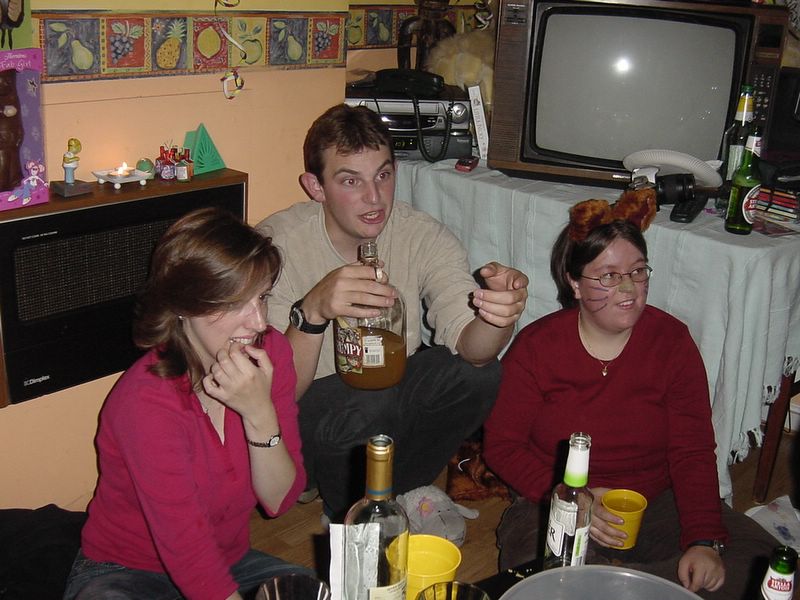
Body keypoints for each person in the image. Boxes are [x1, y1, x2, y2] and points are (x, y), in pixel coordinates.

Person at [483, 190, 780, 599]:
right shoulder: (537, 347)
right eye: (608, 276)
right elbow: (502, 446)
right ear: (574, 283)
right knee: (542, 575)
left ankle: (619, 584)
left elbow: (693, 450)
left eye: (638, 271)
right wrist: (570, 497)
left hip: (653, 501)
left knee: (764, 564)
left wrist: (704, 540)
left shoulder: (671, 342)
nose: (628, 287)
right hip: (556, 502)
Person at [256, 103, 529, 521]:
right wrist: (312, 310)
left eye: (383, 175)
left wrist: (498, 317)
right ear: (316, 187)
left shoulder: (422, 235)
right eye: (351, 181)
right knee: (370, 400)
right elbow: (276, 394)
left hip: (384, 392)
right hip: (306, 411)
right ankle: (343, 509)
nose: (374, 197)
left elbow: (473, 351)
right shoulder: (276, 246)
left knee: (479, 375)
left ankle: (394, 496)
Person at [63, 207, 312, 600]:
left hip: (225, 560)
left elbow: (280, 500)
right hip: (127, 571)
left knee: (312, 589)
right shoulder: (146, 402)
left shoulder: (271, 356)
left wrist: (260, 414)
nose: (258, 322)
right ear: (182, 305)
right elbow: (186, 549)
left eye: (261, 298)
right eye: (233, 303)